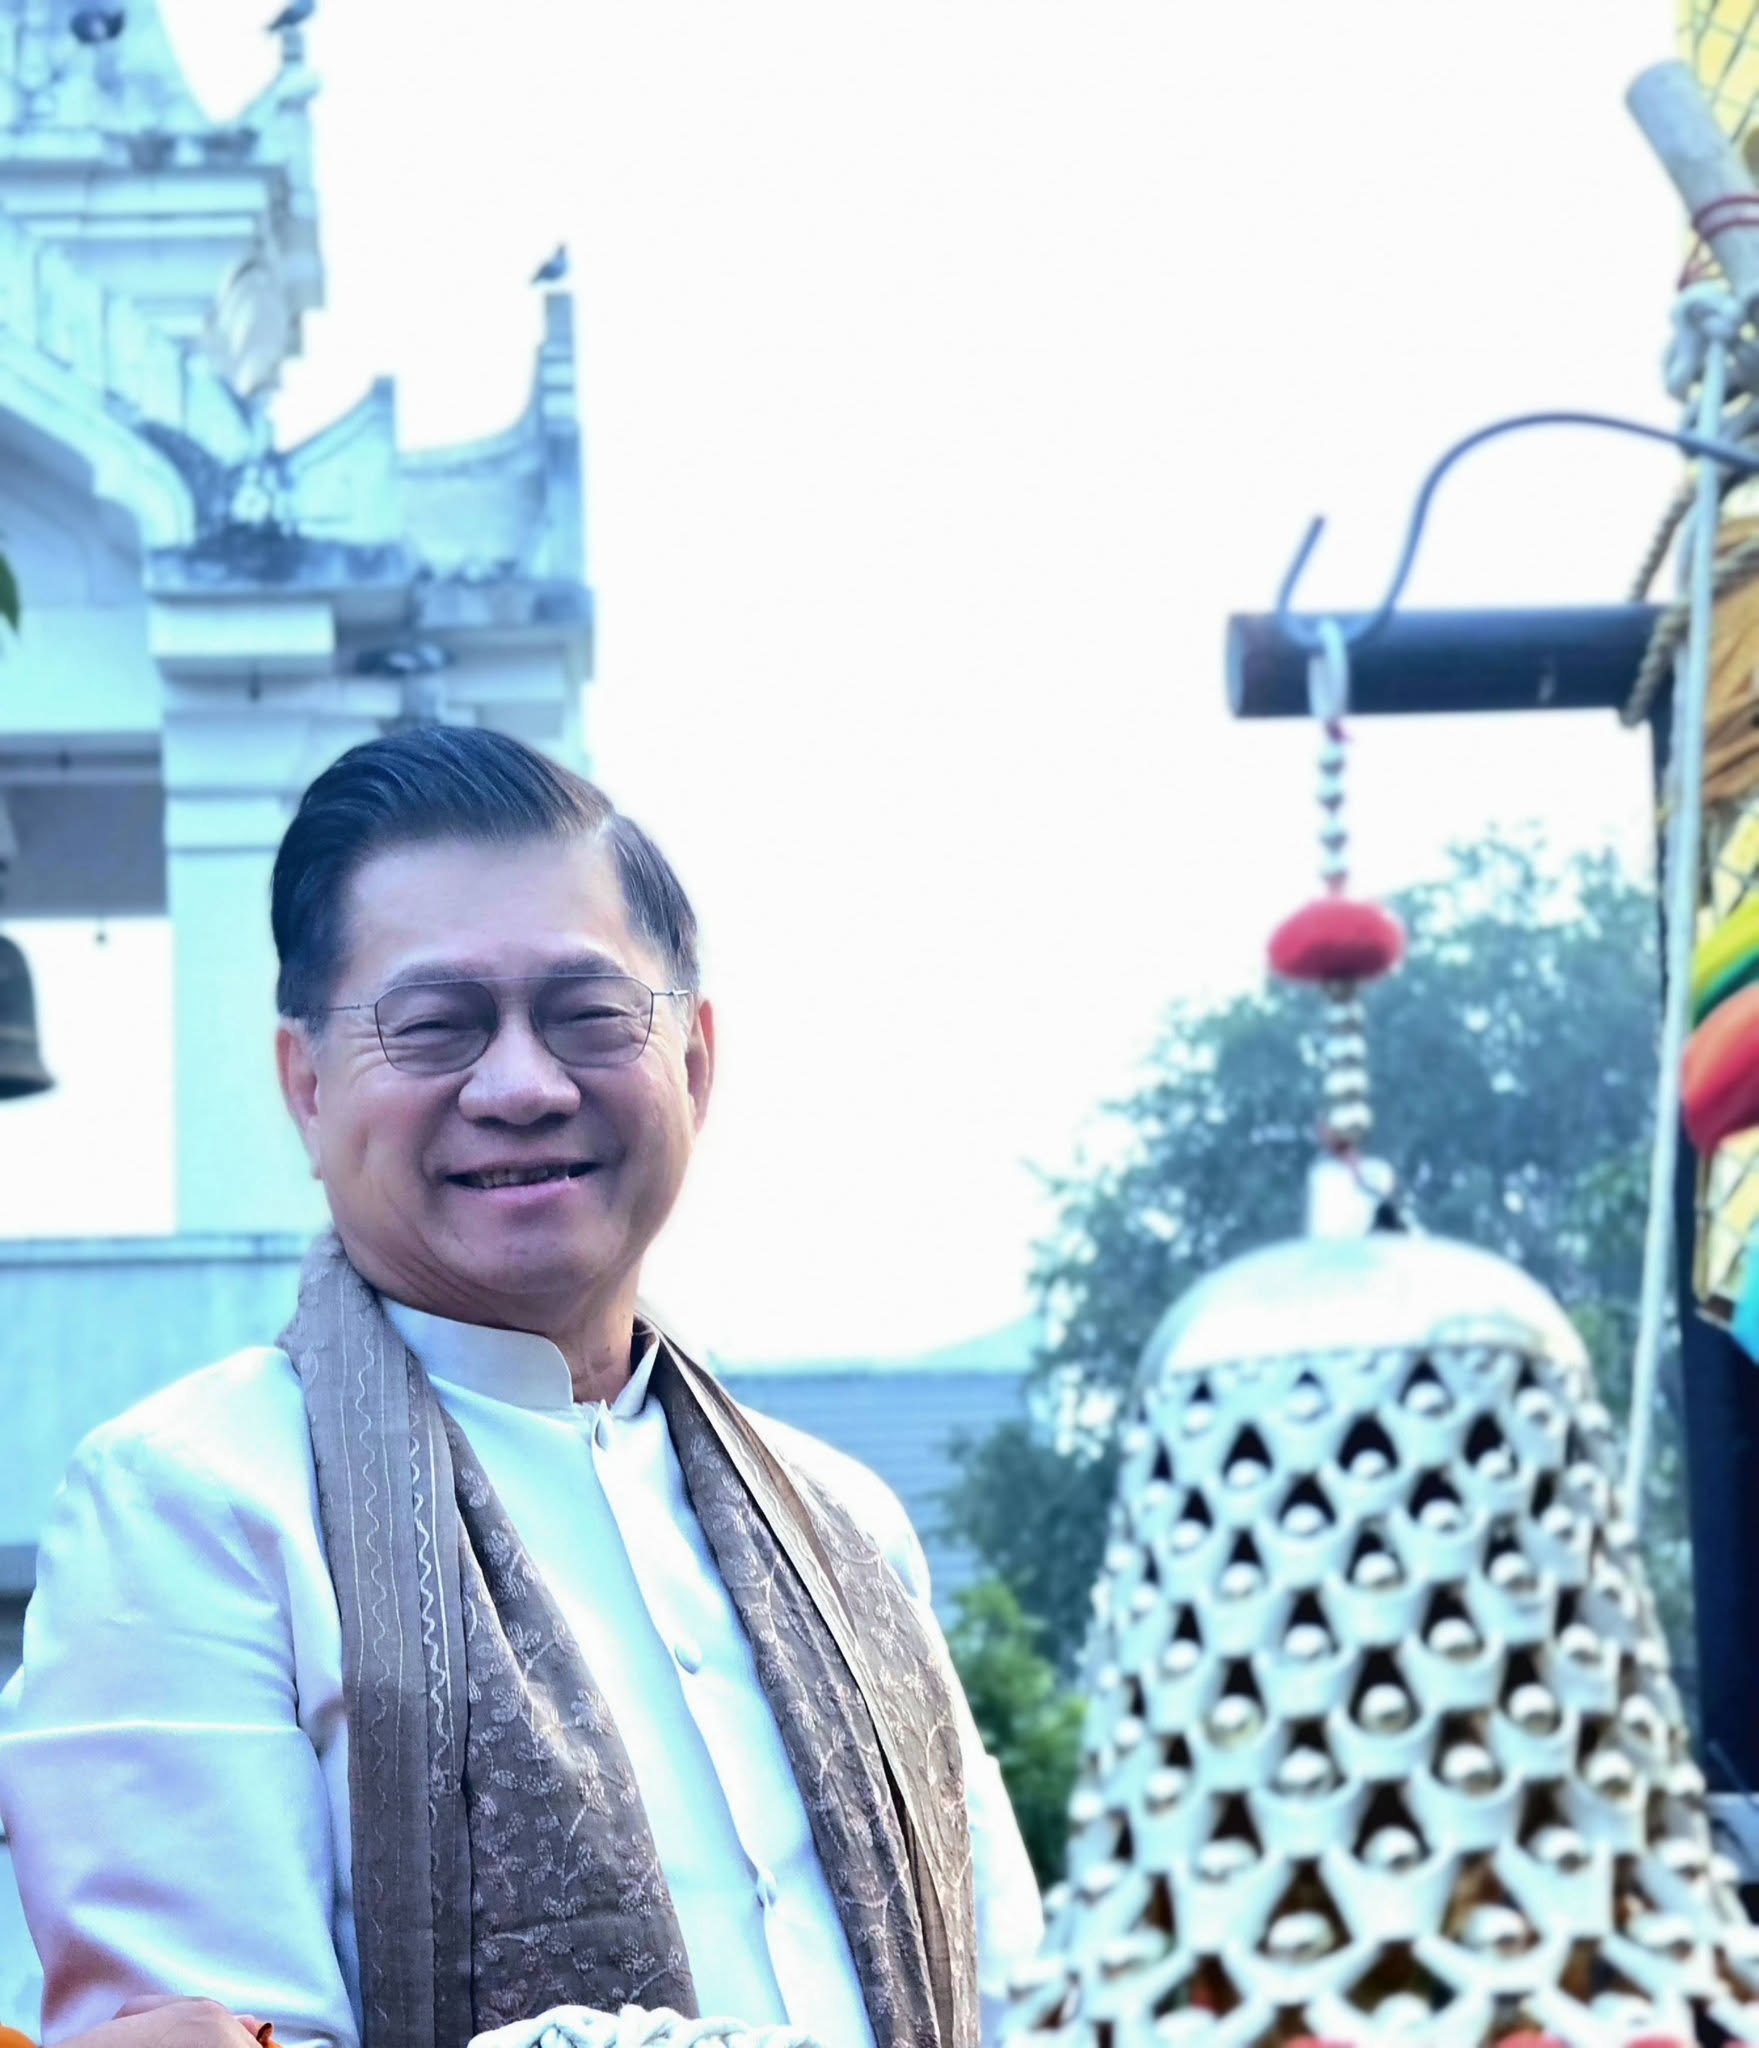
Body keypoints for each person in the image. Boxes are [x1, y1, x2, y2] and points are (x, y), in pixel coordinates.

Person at [0, 729, 1042, 2048]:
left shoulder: (848, 1532)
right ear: (307, 1088)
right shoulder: (193, 1506)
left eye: (588, 1016)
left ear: (696, 1061)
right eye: (436, 1026)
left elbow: (1023, 2004)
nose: (522, 1086)